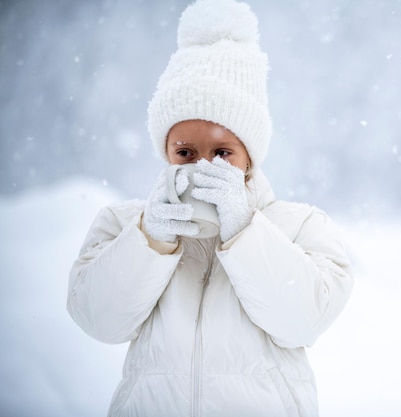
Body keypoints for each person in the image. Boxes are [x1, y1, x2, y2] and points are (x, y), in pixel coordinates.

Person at [66, 1, 353, 416]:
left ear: (249, 157)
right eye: (185, 152)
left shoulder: (299, 227)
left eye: (222, 152)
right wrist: (150, 239)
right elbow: (98, 321)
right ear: (165, 153)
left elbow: (304, 320)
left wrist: (244, 231)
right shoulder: (123, 226)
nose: (203, 167)